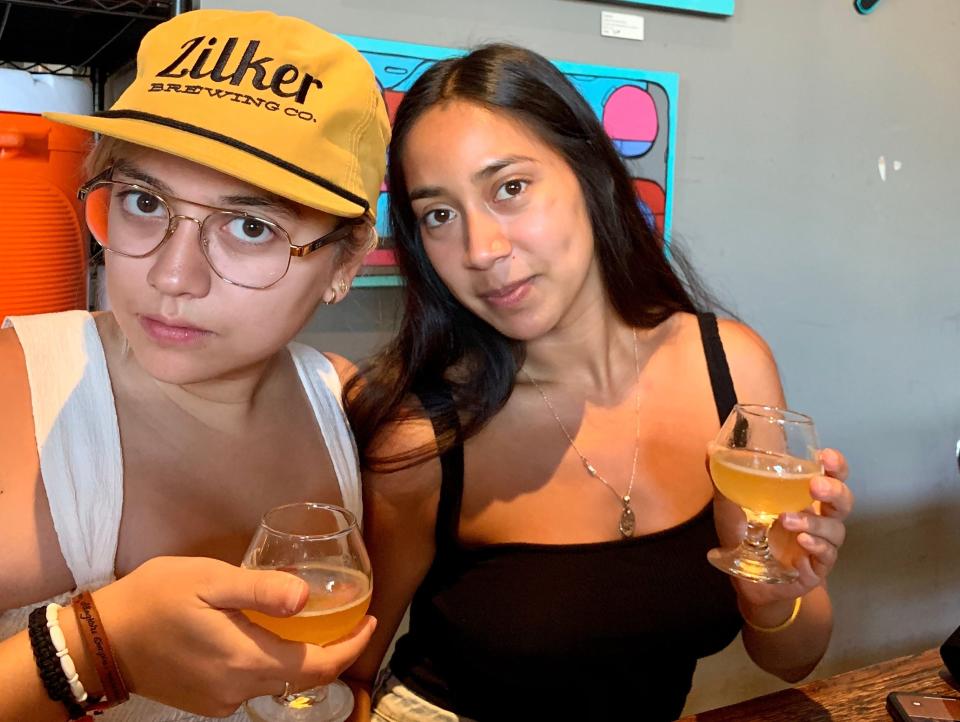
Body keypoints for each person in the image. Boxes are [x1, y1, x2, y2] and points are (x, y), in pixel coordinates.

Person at [343, 44, 854, 721]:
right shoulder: (426, 435)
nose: (480, 250)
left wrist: (776, 592)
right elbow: (347, 671)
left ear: (595, 177)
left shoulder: (732, 368)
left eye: (510, 189)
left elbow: (792, 657)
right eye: (439, 214)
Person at [0, 8, 390, 721]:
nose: (173, 276)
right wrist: (91, 652)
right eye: (144, 202)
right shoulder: (17, 389)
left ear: (346, 262)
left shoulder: (356, 412)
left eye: (250, 227)